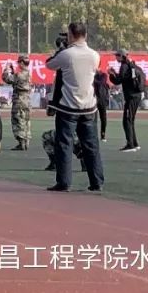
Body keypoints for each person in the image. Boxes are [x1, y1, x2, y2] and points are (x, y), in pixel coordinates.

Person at [45, 22, 104, 193]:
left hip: (68, 107)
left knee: (64, 144)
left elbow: (49, 64)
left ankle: (64, 182)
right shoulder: (94, 55)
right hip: (89, 107)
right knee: (91, 145)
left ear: (71, 35)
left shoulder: (66, 55)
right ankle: (96, 181)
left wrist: (61, 49)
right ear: (85, 35)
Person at [109, 49, 144, 152]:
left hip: (131, 96)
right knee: (130, 120)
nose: (116, 58)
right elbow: (123, 78)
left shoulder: (124, 66)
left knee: (127, 121)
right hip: (136, 95)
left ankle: (130, 144)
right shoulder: (131, 65)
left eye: (117, 56)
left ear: (121, 56)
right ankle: (134, 143)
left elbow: (118, 80)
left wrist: (111, 74)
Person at [1, 55, 32, 150]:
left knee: (18, 119)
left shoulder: (19, 75)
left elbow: (7, 79)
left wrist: (6, 70)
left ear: (22, 63)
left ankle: (21, 142)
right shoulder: (28, 73)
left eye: (19, 62)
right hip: (27, 99)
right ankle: (26, 141)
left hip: (19, 99)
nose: (18, 64)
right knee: (26, 119)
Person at [93, 70, 110, 142]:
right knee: (93, 118)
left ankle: (103, 134)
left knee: (103, 118)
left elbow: (101, 83)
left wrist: (93, 79)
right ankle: (93, 135)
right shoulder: (93, 76)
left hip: (102, 99)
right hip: (94, 100)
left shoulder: (104, 75)